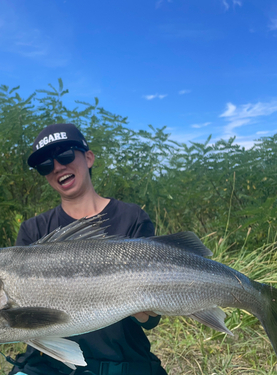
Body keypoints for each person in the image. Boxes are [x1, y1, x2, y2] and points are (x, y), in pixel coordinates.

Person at [9, 123, 167, 375]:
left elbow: (152, 320)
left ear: (89, 157)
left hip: (122, 362)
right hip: (47, 365)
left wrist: (139, 301)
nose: (57, 166)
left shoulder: (131, 217)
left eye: (65, 155)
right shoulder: (33, 230)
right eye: (45, 165)